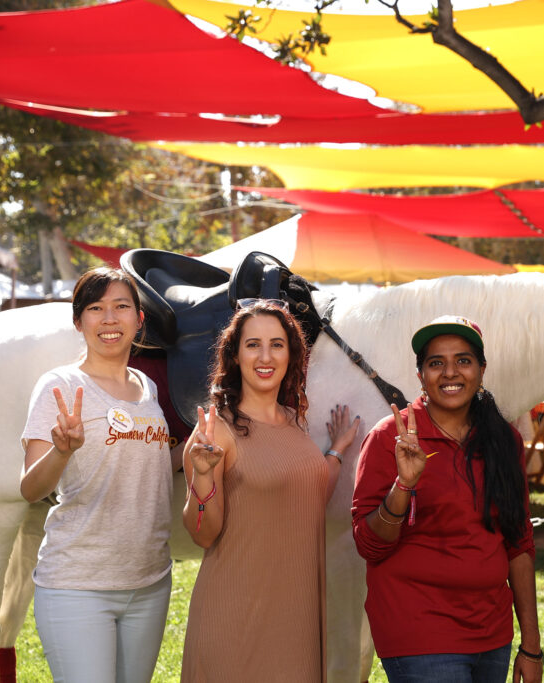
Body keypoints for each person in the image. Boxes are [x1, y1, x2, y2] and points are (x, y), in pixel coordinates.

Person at [352, 315, 543, 683]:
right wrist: (403, 486)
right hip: (419, 631)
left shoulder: (505, 440)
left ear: (482, 370)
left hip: (492, 632)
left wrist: (531, 645)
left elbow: (519, 543)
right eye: (436, 363)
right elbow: (370, 545)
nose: (450, 372)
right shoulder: (390, 438)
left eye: (463, 360)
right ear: (420, 374)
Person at [180, 299, 361, 682]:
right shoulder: (217, 431)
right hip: (236, 615)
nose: (266, 356)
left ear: (292, 354)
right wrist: (202, 478)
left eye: (277, 344)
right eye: (252, 344)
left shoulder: (295, 420)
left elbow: (305, 493)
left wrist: (336, 451)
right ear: (235, 355)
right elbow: (203, 533)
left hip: (296, 616)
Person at [19, 267, 175, 683]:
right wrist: (61, 450)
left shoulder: (148, 387)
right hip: (77, 584)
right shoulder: (61, 385)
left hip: (150, 582)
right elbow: (32, 488)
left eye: (122, 306)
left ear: (139, 319)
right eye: (95, 308)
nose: (110, 318)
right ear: (78, 321)